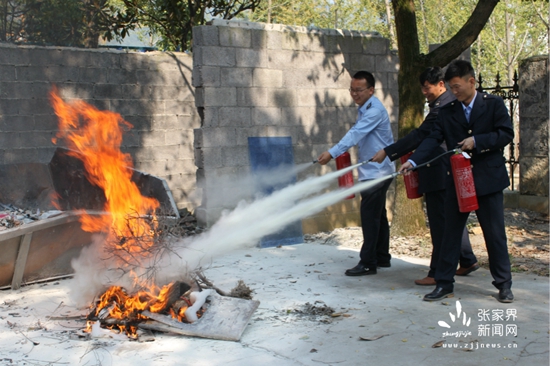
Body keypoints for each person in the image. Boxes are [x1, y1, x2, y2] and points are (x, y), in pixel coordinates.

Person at [400, 60, 514, 303]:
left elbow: (505, 134)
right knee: (450, 233)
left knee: (494, 234)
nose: (454, 92)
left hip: (488, 179)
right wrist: (414, 161)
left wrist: (479, 141)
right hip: (457, 180)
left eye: (457, 86)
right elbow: (432, 138)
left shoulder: (492, 104)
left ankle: (504, 284)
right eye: (451, 88)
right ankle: (444, 283)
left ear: (471, 82)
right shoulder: (447, 111)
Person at [371, 67, 478, 286]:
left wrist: (389, 152)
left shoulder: (443, 108)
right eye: (422, 88)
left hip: (439, 171)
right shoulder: (443, 105)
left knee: (440, 224)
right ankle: (467, 259)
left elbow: (421, 136)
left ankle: (437, 272)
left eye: (427, 88)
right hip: (443, 170)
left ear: (441, 85)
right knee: (450, 219)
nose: (424, 92)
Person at [318, 71, 395, 276]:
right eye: (351, 89)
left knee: (369, 217)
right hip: (376, 170)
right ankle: (382, 257)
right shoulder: (365, 108)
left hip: (377, 173)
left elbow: (355, 134)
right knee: (378, 215)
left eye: (359, 90)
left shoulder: (374, 110)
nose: (354, 94)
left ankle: (368, 262)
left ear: (371, 90)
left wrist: (332, 153)